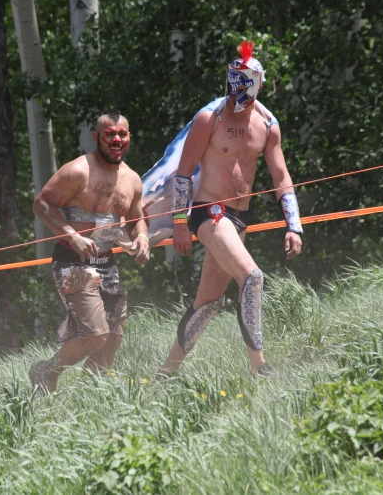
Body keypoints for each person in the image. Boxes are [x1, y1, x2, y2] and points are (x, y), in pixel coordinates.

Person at [148, 41, 303, 376]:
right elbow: (184, 172)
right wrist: (179, 223)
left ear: (258, 83)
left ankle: (165, 374)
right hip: (209, 213)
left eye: (245, 82)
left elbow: (281, 176)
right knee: (252, 277)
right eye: (234, 81)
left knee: (206, 303)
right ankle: (259, 367)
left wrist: (294, 224)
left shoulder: (268, 124)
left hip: (240, 218)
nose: (238, 91)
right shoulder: (210, 118)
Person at [29, 110, 151, 392]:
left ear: (129, 137)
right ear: (97, 137)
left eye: (122, 134)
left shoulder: (132, 179)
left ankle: (89, 395)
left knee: (114, 337)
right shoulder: (77, 171)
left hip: (107, 263)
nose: (117, 140)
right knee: (96, 335)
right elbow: (42, 204)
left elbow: (137, 218)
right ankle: (47, 371)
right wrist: (72, 236)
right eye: (110, 134)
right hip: (73, 261)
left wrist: (142, 237)